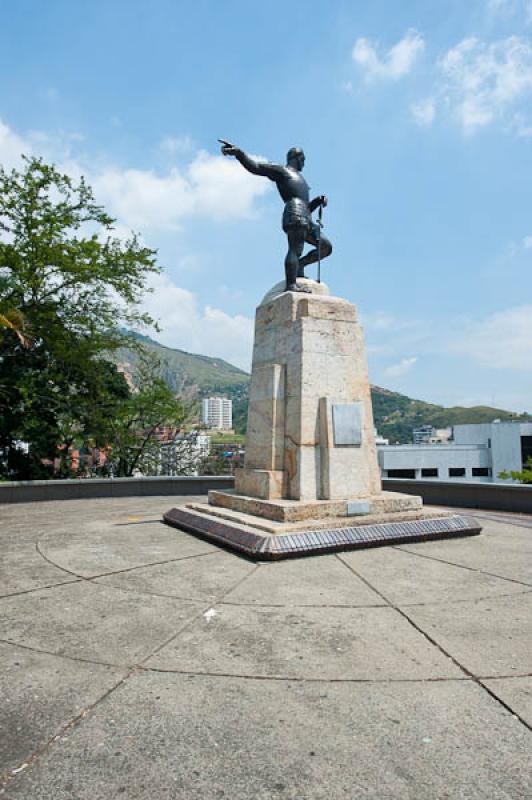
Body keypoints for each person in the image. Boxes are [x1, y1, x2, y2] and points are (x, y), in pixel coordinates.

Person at [220, 142, 332, 292]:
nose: (304, 164)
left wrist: (317, 201)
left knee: (325, 247)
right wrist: (239, 154)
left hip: (306, 216)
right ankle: (291, 284)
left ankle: (300, 265)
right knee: (295, 249)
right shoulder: (283, 171)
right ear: (297, 158)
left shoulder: (300, 178)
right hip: (295, 213)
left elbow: (307, 207)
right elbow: (256, 167)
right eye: (303, 160)